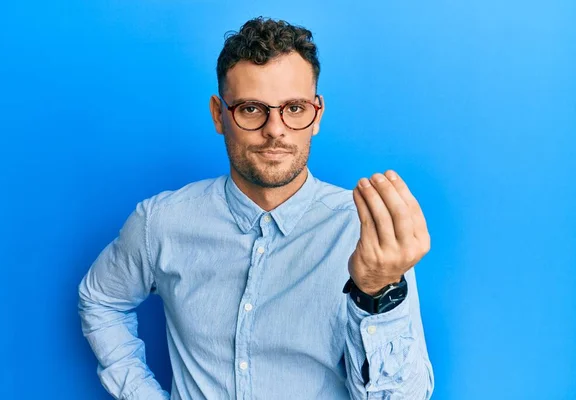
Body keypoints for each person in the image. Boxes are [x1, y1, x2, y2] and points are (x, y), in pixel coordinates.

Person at [78, 16, 434, 400]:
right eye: (251, 109)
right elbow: (100, 299)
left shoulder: (366, 235)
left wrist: (377, 292)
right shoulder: (161, 223)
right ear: (219, 114)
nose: (275, 129)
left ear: (317, 115)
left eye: (294, 108)